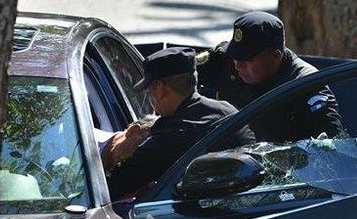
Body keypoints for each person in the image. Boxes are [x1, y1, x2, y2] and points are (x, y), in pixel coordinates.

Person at [107, 47, 255, 200]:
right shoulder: (225, 108)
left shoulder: (173, 136)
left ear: (159, 88)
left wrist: (111, 157)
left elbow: (112, 186)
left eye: (148, 90)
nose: (149, 96)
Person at [215, 11, 345, 144]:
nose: (238, 66)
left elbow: (333, 145)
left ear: (275, 56)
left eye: (247, 59)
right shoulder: (224, 60)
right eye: (236, 56)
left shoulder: (307, 86)